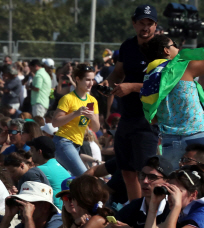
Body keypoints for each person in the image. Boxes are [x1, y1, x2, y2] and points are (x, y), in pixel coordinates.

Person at [101, 4, 159, 201]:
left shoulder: (163, 47)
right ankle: (135, 210)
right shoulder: (128, 46)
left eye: (149, 24)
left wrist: (132, 87)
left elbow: (165, 84)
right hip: (127, 116)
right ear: (134, 24)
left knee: (147, 174)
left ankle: (150, 212)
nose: (145, 28)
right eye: (141, 23)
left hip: (149, 120)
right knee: (126, 171)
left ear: (156, 26)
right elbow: (118, 72)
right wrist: (107, 83)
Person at [140, 35, 204, 168]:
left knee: (175, 184)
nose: (178, 47)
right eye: (174, 44)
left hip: (170, 140)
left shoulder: (149, 78)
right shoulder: (184, 68)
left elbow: (152, 119)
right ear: (166, 51)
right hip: (196, 136)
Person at [52, 64, 101, 176]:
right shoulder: (68, 98)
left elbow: (95, 128)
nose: (91, 83)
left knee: (70, 179)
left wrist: (93, 117)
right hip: (64, 142)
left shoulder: (92, 100)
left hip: (77, 145)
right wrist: (76, 113)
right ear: (77, 79)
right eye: (87, 80)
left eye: (92, 79)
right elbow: (55, 122)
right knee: (84, 177)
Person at [27, 136, 71, 209]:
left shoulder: (38, 170)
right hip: (66, 211)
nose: (30, 153)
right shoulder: (60, 166)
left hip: (56, 213)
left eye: (32, 149)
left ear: (39, 152)